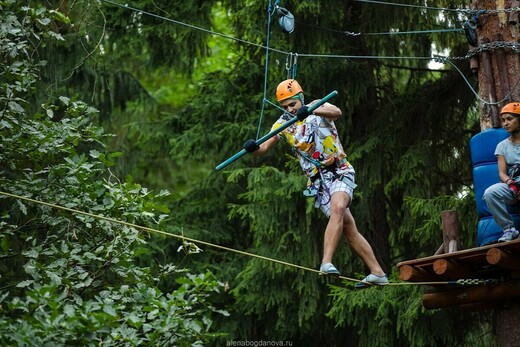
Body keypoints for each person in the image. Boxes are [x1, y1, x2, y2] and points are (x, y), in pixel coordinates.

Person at [243, 79, 388, 288]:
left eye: (293, 104)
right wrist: (252, 148)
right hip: (319, 183)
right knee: (348, 227)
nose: (290, 109)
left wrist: (311, 111)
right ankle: (377, 272)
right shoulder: (282, 124)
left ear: (301, 98)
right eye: (285, 107)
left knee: (338, 207)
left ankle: (326, 263)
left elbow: (336, 112)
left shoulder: (318, 105)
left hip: (339, 170)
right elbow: (263, 148)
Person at [483, 102, 520, 242]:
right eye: (503, 120)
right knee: (490, 193)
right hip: (513, 185)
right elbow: (502, 173)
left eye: (510, 119)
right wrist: (511, 184)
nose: (505, 123)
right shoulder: (502, 146)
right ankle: (509, 229)